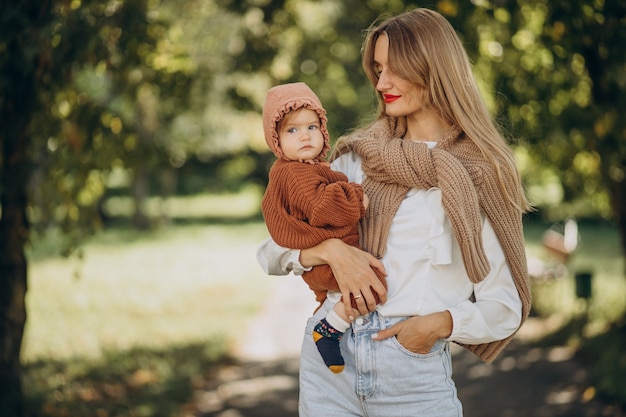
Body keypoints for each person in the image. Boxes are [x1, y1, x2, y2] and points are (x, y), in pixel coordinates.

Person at [257, 8, 532, 417]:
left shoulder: (481, 172)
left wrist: (435, 326)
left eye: (393, 69)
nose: (380, 82)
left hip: (411, 372)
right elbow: (271, 251)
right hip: (328, 363)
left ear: (432, 68)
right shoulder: (355, 159)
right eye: (378, 68)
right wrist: (333, 252)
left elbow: (505, 306)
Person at [260, 82, 387, 374]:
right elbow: (321, 206)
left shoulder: (304, 168)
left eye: (312, 127)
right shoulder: (296, 173)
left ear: (323, 130)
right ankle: (328, 330)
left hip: (319, 257)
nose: (304, 135)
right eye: (292, 130)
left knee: (333, 296)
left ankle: (327, 317)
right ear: (276, 140)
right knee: (370, 284)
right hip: (325, 258)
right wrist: (356, 197)